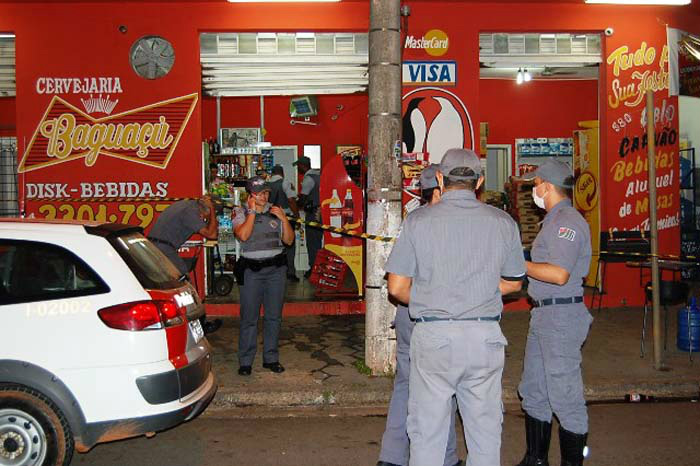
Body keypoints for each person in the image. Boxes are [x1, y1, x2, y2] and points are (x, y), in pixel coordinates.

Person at [385, 148, 526, 466]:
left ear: (440, 178)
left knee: (428, 435)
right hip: (484, 337)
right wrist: (477, 291)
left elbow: (396, 288)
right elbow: (515, 282)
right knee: (485, 435)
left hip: (434, 337)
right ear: (478, 182)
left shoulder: (418, 222)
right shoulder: (503, 222)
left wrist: (434, 296)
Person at [377, 164, 462, 466]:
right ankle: (446, 458)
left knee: (406, 386)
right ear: (440, 188)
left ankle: (391, 458)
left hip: (407, 314)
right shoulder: (450, 223)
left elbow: (397, 280)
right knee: (444, 388)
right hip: (435, 315)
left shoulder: (412, 217)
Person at [515, 160, 592, 466]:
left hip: (561, 318)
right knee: (534, 391)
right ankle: (535, 460)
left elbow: (559, 273)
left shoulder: (567, 223)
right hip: (544, 316)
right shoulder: (553, 220)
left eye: (535, 184)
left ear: (546, 185)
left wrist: (518, 264)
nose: (534, 190)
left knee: (565, 398)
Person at [232, 176, 295, 376]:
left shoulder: (276, 212)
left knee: (273, 317)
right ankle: (246, 361)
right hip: (252, 272)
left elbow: (289, 241)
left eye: (266, 192)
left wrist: (284, 219)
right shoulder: (240, 212)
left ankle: (271, 358)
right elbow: (242, 235)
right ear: (250, 195)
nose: (264, 196)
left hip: (276, 271)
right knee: (249, 318)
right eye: (259, 193)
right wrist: (251, 212)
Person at [148, 196, 222, 335]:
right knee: (185, 285)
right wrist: (212, 211)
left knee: (174, 287)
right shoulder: (190, 212)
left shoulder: (188, 206)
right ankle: (200, 325)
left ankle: (188, 321)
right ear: (205, 210)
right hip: (163, 249)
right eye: (207, 216)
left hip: (160, 247)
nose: (204, 219)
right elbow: (212, 234)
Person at [268, 164, 301, 282]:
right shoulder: (285, 183)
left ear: (272, 173)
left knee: (273, 245)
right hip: (285, 218)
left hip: (270, 218)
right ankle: (290, 272)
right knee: (289, 245)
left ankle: (274, 273)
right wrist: (297, 217)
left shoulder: (266, 185)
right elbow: (291, 200)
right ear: (282, 173)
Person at [294, 156, 321, 278]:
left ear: (303, 166)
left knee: (312, 242)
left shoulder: (308, 179)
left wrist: (295, 203)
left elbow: (303, 198)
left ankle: (313, 270)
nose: (298, 168)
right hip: (321, 212)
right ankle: (319, 268)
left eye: (298, 166)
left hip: (312, 214)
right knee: (318, 242)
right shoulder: (318, 175)